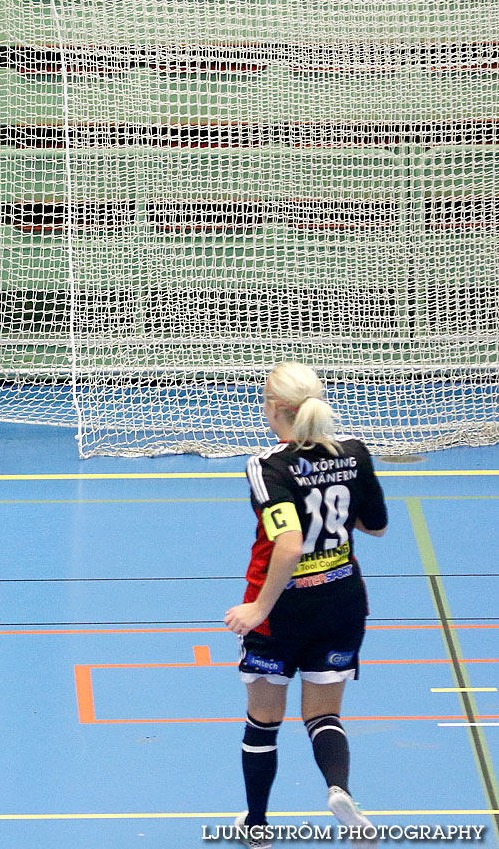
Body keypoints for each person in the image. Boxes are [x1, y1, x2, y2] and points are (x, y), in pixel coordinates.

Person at [224, 362, 386, 849]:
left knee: (263, 720)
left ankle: (256, 826)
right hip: (342, 603)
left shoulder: (268, 467)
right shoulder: (353, 453)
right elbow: (375, 525)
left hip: (283, 613)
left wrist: (257, 609)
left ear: (274, 408)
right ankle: (340, 789)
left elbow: (289, 545)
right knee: (323, 715)